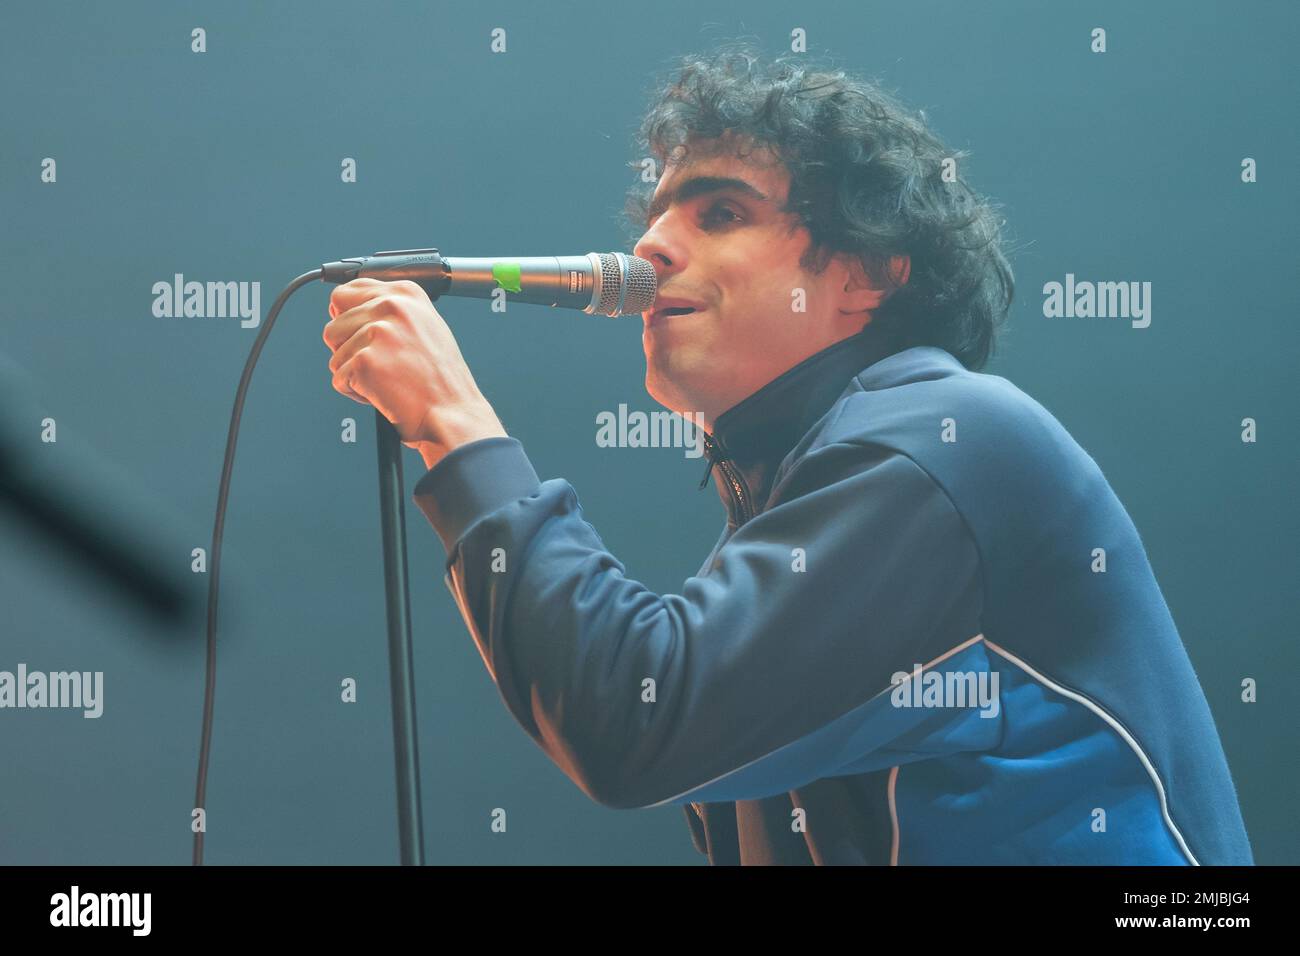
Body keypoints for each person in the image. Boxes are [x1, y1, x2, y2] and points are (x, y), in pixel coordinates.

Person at [320, 45, 1253, 865]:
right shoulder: (796, 504)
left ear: (869, 275)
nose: (650, 244)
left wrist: (451, 417)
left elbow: (635, 719)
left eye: (720, 212)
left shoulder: (948, 442)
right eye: (655, 215)